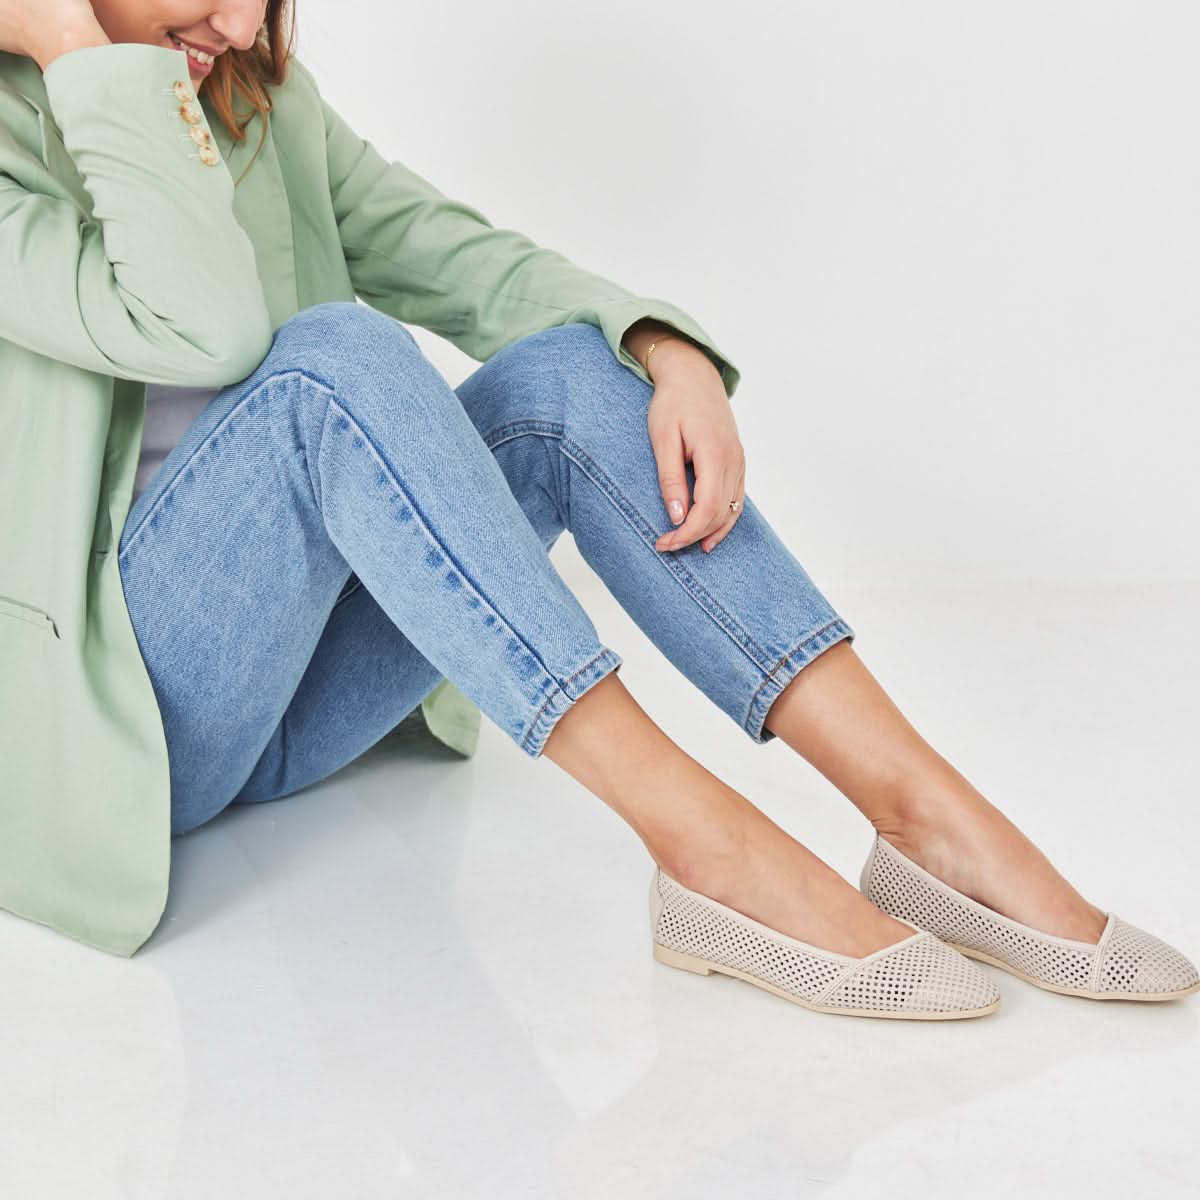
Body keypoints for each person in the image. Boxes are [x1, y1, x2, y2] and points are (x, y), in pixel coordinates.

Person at [1, 1, 1196, 1018]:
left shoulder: (252, 101)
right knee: (330, 366)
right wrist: (71, 51)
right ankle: (705, 847)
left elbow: (455, 257)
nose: (241, 23)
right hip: (117, 727)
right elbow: (204, 327)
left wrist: (665, 349)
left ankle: (925, 819)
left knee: (572, 371)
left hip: (301, 685)